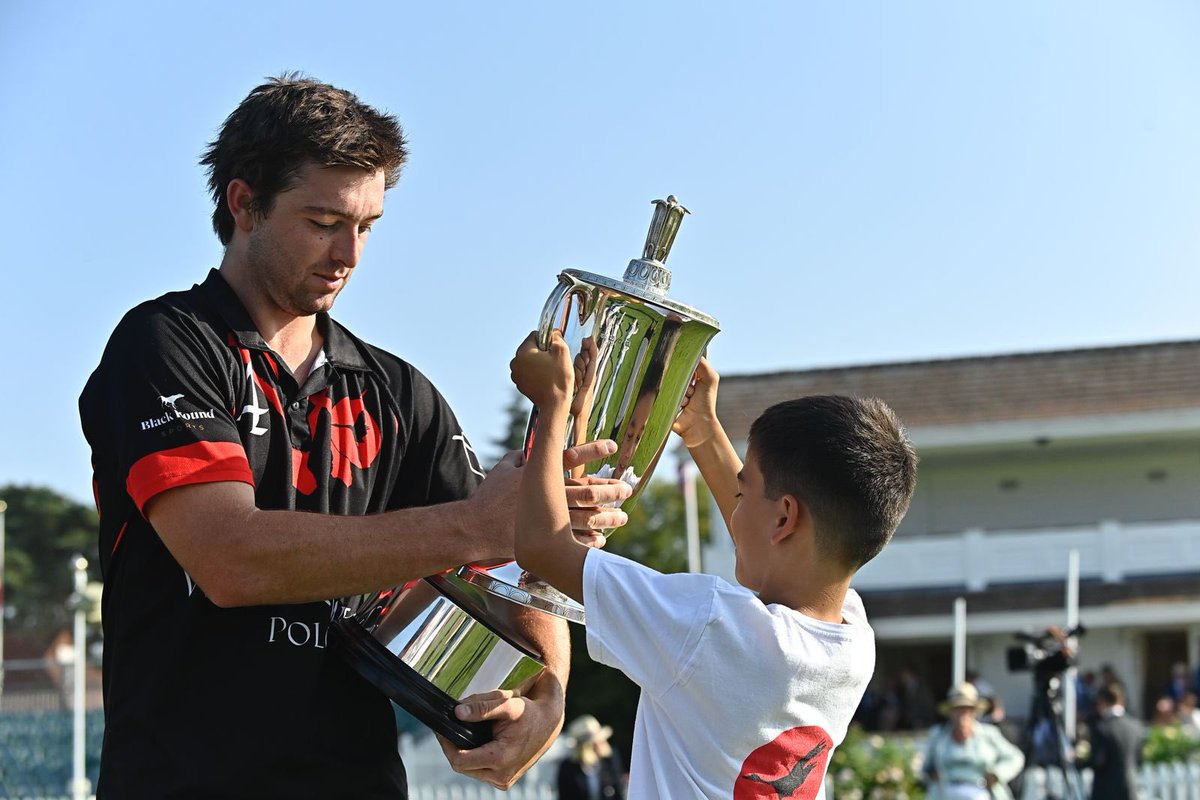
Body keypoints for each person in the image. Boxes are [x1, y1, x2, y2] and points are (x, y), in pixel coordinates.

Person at [78, 74, 631, 798]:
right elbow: (229, 558)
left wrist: (546, 689)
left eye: (367, 225)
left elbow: (509, 565)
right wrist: (478, 523)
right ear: (243, 203)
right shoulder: (163, 344)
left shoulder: (398, 393)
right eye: (323, 221)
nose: (351, 252)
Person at [502, 336, 919, 797]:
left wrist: (553, 404)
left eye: (744, 490)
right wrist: (703, 430)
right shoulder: (853, 643)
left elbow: (541, 546)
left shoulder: (704, 625)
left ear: (784, 518)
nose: (734, 509)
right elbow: (776, 552)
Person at [921, 683, 1026, 800]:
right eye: (958, 709)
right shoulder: (939, 736)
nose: (962, 714)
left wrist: (997, 774)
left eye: (967, 709)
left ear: (974, 711)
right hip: (945, 793)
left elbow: (1016, 757)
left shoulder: (988, 734)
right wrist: (931, 775)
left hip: (982, 792)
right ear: (950, 712)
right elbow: (926, 768)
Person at [1079, 684, 1146, 800]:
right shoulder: (1136, 727)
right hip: (1130, 789)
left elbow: (1098, 761)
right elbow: (1139, 760)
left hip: (1106, 792)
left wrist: (1079, 762)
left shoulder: (1101, 728)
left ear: (1102, 702)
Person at [555, 714, 626, 800]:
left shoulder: (609, 760)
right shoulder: (568, 767)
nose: (602, 744)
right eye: (597, 742)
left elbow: (618, 790)